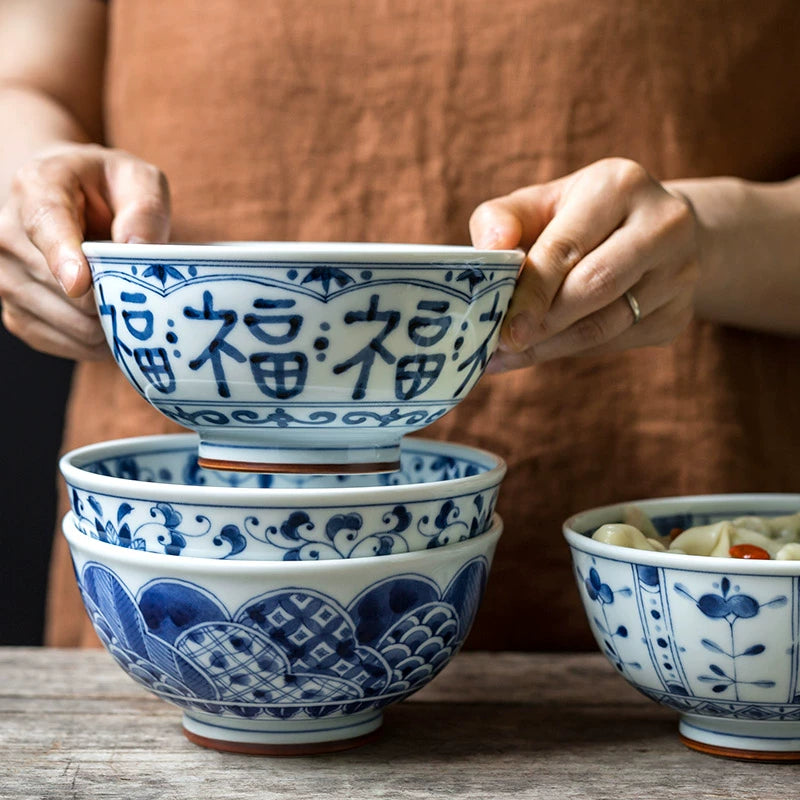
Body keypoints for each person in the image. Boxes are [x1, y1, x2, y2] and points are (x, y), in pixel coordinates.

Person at [1, 0, 799, 650]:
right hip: (172, 568)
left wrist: (713, 236)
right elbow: (23, 82)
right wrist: (28, 190)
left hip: (686, 582)